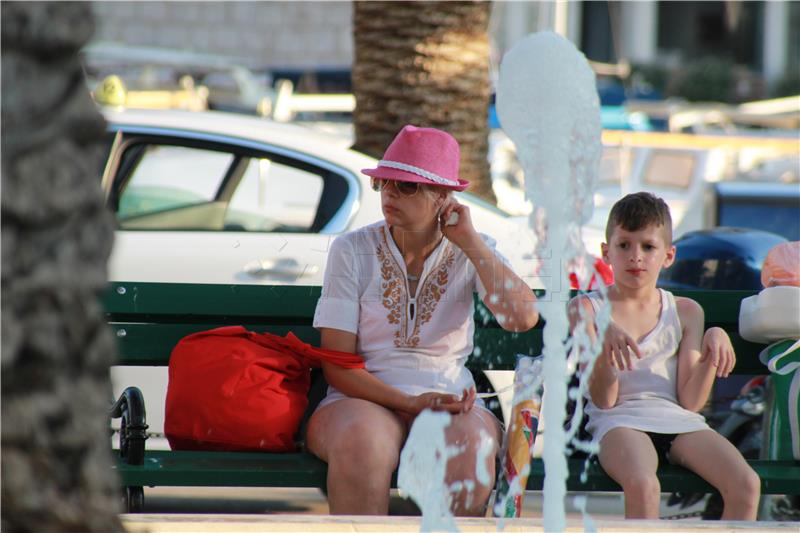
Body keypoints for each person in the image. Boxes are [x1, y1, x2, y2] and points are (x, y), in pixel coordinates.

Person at [306, 125, 539, 516]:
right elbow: (337, 365)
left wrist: (470, 242)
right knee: (364, 441)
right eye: (385, 183)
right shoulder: (353, 250)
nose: (391, 193)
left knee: (471, 448)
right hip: (359, 398)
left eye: (407, 186)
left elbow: (523, 318)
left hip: (448, 399)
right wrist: (408, 403)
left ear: (443, 198)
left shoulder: (473, 249)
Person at [569, 192, 760, 519]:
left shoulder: (686, 312)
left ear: (668, 256)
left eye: (648, 246)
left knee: (746, 483)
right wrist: (601, 335)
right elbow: (605, 399)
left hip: (676, 419)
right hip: (619, 420)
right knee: (644, 484)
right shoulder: (585, 308)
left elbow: (690, 401)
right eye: (624, 245)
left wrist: (713, 344)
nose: (635, 257)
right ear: (606, 252)